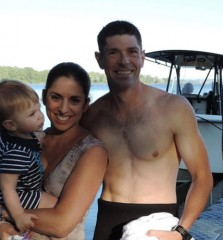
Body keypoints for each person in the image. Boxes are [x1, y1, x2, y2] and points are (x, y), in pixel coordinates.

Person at [81, 20, 213, 240]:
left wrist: (181, 231)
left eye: (132, 52)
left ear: (142, 56)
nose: (124, 61)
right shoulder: (92, 116)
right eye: (114, 52)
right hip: (106, 220)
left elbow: (202, 176)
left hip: (158, 223)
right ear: (99, 59)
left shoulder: (174, 108)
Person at [0, 62, 108, 240]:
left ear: (85, 105)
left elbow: (61, 225)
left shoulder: (92, 152)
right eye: (56, 97)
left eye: (74, 100)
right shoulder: (25, 141)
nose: (63, 108)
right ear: (44, 97)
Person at [0, 80, 58, 239]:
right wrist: (19, 215)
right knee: (53, 202)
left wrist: (38, 140)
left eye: (38, 109)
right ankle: (22, 233)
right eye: (32, 114)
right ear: (10, 124)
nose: (40, 116)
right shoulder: (17, 153)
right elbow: (7, 188)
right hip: (8, 194)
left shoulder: (8, 134)